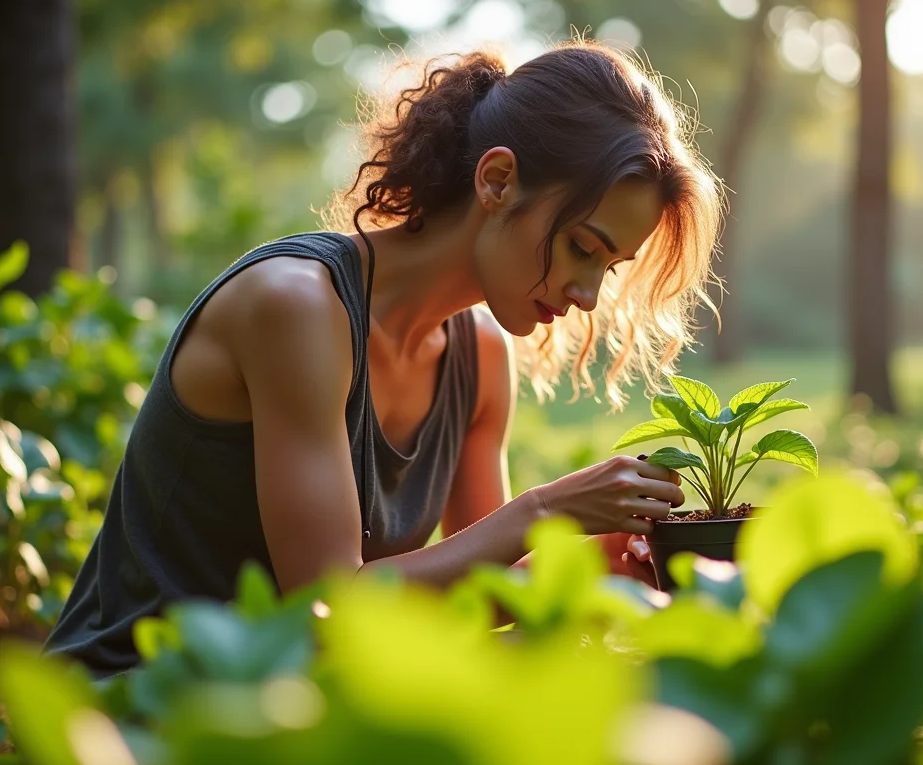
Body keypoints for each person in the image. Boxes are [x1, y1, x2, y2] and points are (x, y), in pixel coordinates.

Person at [44, 39, 724, 678]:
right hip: (134, 702)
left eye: (610, 266)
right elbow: (326, 611)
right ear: (497, 180)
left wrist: (597, 561)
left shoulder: (478, 357)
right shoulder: (298, 307)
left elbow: (477, 600)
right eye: (582, 246)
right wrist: (543, 510)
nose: (586, 294)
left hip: (296, 707)